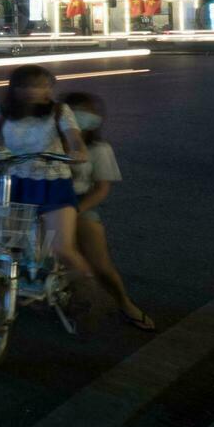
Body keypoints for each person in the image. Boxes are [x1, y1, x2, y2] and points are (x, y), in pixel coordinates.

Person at [0, 65, 102, 329]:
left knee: (63, 248)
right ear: (14, 89)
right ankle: (7, 284)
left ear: (49, 88)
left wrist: (77, 150)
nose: (33, 91)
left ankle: (87, 293)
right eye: (26, 85)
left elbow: (75, 140)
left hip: (52, 182)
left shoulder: (60, 112)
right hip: (13, 181)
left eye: (41, 85)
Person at [62, 91, 154, 331]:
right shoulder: (47, 142)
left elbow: (101, 190)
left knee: (100, 265)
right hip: (45, 203)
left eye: (87, 112)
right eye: (73, 111)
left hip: (79, 205)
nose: (80, 116)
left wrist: (76, 209)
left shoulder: (99, 149)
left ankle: (124, 304)